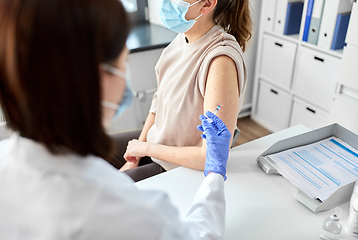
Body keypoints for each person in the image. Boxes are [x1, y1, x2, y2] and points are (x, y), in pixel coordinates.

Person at [0, 0, 232, 239]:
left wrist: (140, 151)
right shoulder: (121, 209)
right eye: (123, 63)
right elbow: (202, 235)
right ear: (96, 78)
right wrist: (215, 175)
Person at [115, 0, 252, 181]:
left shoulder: (220, 60)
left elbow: (210, 156)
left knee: (105, 191)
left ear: (207, 4)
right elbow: (158, 105)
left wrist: (144, 148)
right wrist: (136, 155)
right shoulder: (181, 39)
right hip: (158, 143)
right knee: (92, 149)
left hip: (177, 166)